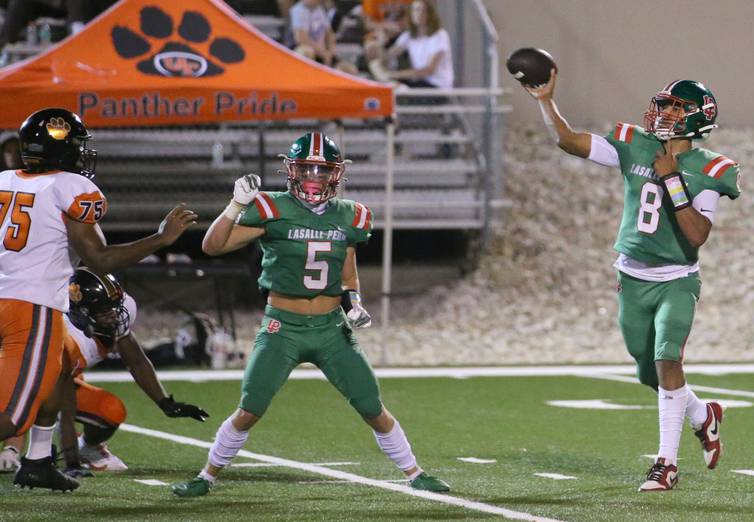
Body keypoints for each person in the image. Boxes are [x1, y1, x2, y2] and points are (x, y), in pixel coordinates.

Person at [171, 132, 450, 497]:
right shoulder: (272, 207)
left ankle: (414, 473)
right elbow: (212, 246)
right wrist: (234, 206)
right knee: (250, 407)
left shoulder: (352, 215)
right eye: (307, 169)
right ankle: (205, 477)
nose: (314, 177)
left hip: (331, 328)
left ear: (337, 174)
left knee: (370, 404)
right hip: (281, 327)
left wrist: (356, 303)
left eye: (322, 170)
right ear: (292, 170)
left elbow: (348, 273)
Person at [527, 74, 740, 491]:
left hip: (676, 278)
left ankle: (666, 464)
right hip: (632, 275)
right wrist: (546, 101)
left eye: (678, 107)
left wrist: (673, 179)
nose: (666, 113)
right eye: (665, 104)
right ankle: (703, 416)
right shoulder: (634, 142)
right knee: (649, 372)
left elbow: (697, 234)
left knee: (668, 359)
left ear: (699, 118)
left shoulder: (712, 168)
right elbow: (569, 141)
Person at [0, 107, 197, 491]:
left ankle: (38, 461)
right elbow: (100, 259)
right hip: (30, 304)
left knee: (55, 367)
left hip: (7, 294)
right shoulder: (68, 188)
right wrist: (161, 239)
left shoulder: (6, 180)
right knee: (12, 416)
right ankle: (32, 454)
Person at [56, 267, 209, 474]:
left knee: (111, 409)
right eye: (105, 311)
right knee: (24, 416)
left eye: (115, 306)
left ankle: (88, 449)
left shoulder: (117, 313)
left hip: (61, 379)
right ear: (83, 313)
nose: (115, 315)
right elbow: (61, 407)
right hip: (25, 382)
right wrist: (71, 463)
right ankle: (25, 454)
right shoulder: (68, 338)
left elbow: (136, 361)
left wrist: (165, 402)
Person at [368, 0, 453, 88]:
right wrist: (380, 44)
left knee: (396, 86)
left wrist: (394, 75)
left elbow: (428, 70)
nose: (419, 14)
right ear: (411, 14)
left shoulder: (439, 35)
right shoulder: (408, 36)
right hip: (419, 82)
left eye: (424, 11)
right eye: (416, 10)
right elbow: (388, 56)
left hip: (436, 87)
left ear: (431, 14)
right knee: (375, 65)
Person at [288, 0, 358, 75]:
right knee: (306, 52)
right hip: (304, 51)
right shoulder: (299, 10)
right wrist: (323, 53)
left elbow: (330, 34)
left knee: (349, 69)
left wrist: (331, 52)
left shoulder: (320, 10)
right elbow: (301, 38)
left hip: (322, 52)